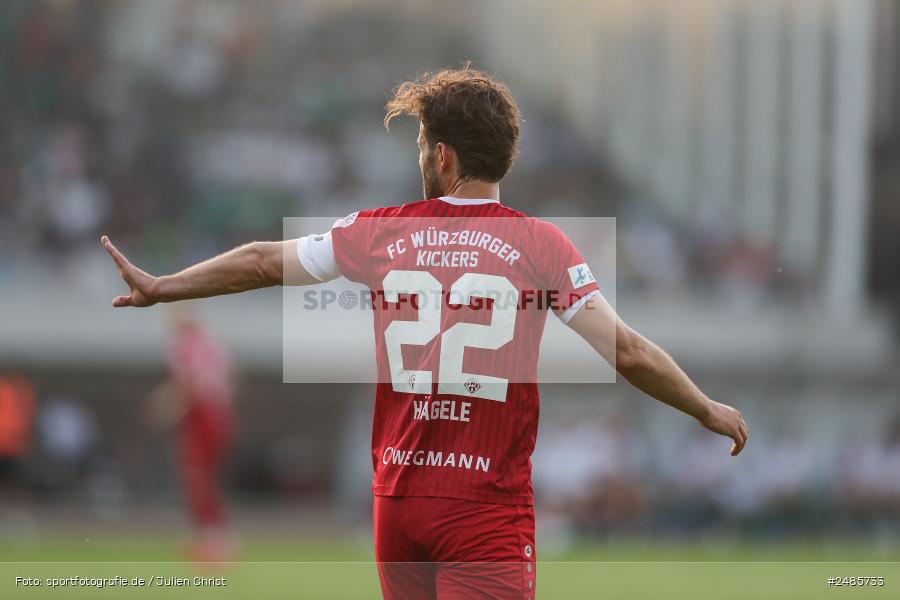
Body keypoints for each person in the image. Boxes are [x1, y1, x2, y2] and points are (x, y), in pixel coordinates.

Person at [100, 65, 747, 599]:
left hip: (399, 505)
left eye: (418, 146)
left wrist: (164, 286)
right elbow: (626, 350)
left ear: (442, 156)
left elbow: (264, 261)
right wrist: (704, 407)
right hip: (483, 510)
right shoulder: (542, 246)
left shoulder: (380, 230)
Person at [149, 308, 237, 562]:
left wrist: (168, 407)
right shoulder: (214, 342)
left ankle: (213, 539)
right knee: (205, 477)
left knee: (197, 477)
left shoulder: (181, 344)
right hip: (219, 412)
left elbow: (186, 383)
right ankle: (212, 537)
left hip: (202, 413)